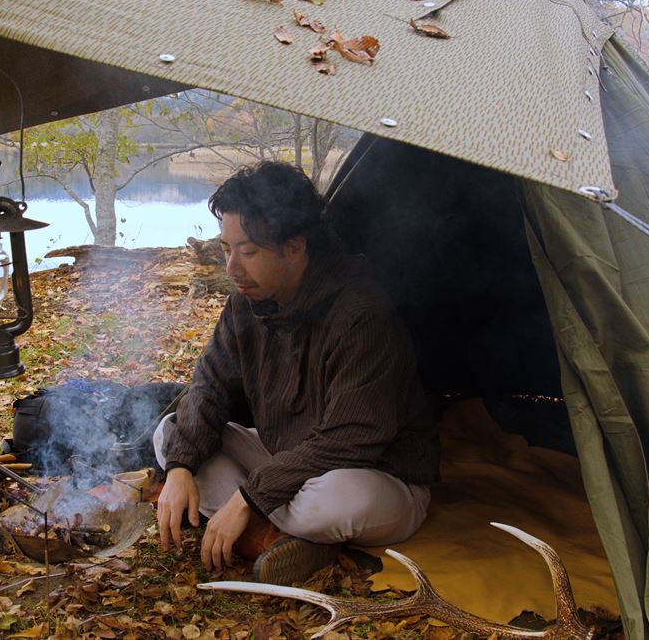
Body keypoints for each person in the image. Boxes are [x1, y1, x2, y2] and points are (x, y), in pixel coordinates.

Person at [153, 161, 440, 585]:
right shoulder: (244, 305)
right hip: (283, 462)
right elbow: (208, 387)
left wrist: (249, 497)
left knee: (337, 503)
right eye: (225, 249)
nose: (232, 268)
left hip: (375, 474)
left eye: (247, 251)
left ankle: (258, 523)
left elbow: (352, 437)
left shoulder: (362, 312)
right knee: (170, 434)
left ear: (294, 247)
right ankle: (283, 537)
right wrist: (178, 468)